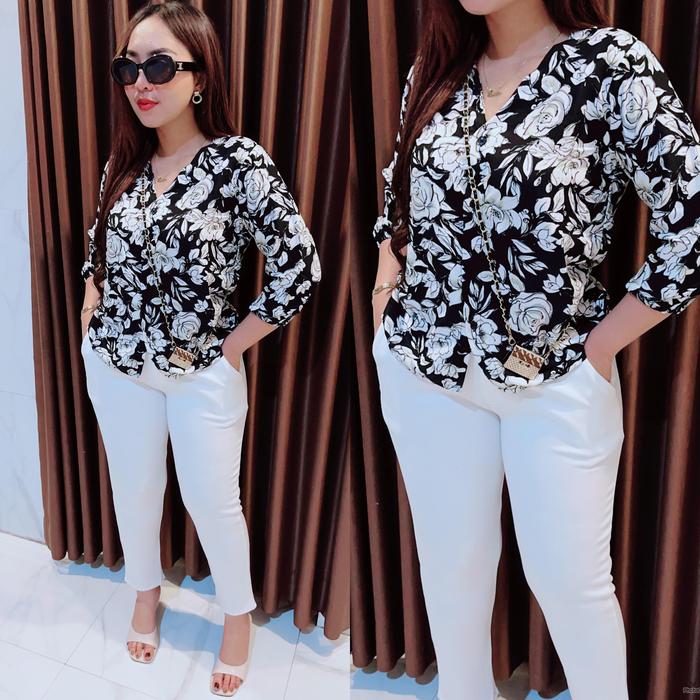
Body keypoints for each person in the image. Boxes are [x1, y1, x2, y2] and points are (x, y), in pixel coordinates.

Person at [370, 1, 699, 698]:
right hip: (424, 367)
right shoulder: (435, 68)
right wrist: (384, 286)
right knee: (451, 571)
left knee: (571, 583)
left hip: (555, 378)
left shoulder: (608, 65)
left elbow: (692, 220)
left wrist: (602, 344)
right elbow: (399, 189)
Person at [79, 2, 321, 696]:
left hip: (200, 372)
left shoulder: (237, 162)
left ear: (200, 77)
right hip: (116, 363)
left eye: (160, 65)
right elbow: (97, 250)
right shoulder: (123, 164)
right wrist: (91, 306)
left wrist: (233, 345)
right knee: (134, 488)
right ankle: (145, 592)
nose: (141, 82)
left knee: (213, 500)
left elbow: (300, 266)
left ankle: (237, 617)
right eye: (129, 67)